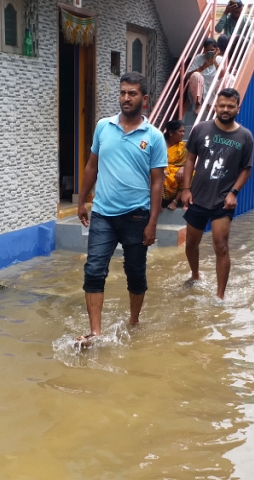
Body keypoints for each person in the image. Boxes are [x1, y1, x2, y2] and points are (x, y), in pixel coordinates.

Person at [76, 71, 167, 344]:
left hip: (137, 216)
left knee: (135, 271)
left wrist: (152, 222)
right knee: (94, 270)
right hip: (103, 213)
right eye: (123, 92)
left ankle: (134, 321)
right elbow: (92, 166)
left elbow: (157, 183)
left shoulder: (154, 137)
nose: (126, 98)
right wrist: (81, 201)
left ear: (145, 99)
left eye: (132, 93)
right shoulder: (104, 127)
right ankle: (95, 332)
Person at [181, 88, 254, 300]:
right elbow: (189, 159)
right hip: (197, 196)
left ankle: (219, 296)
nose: (225, 109)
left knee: (221, 245)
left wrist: (234, 192)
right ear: (215, 106)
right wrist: (185, 189)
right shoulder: (200, 129)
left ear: (237, 108)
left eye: (230, 106)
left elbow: (246, 168)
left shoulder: (245, 137)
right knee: (191, 244)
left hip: (223, 200)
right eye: (222, 105)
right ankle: (195, 275)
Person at [186, 38, 223, 114]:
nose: (210, 52)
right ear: (204, 50)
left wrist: (215, 61)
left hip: (214, 86)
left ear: (217, 50)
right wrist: (203, 67)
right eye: (207, 50)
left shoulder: (220, 59)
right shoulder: (198, 58)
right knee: (196, 75)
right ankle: (198, 105)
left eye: (212, 50)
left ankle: (213, 104)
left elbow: (223, 76)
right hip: (200, 86)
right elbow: (189, 76)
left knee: (228, 78)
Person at [162, 120, 187, 210]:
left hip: (176, 171)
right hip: (162, 169)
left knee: (189, 173)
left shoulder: (183, 147)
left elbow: (188, 162)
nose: (183, 134)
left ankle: (175, 201)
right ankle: (157, 201)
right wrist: (161, 169)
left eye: (184, 131)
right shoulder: (160, 143)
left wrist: (182, 167)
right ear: (171, 133)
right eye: (180, 131)